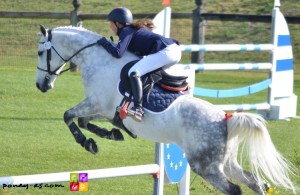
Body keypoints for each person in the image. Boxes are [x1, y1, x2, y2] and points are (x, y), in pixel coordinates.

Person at [97, 7, 182, 121]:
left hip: (167, 52)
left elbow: (118, 53)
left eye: (111, 23)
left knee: (134, 72)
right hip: (173, 51)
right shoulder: (130, 31)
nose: (110, 27)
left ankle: (138, 109)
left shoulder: (126, 31)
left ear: (117, 23)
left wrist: (104, 43)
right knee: (145, 73)